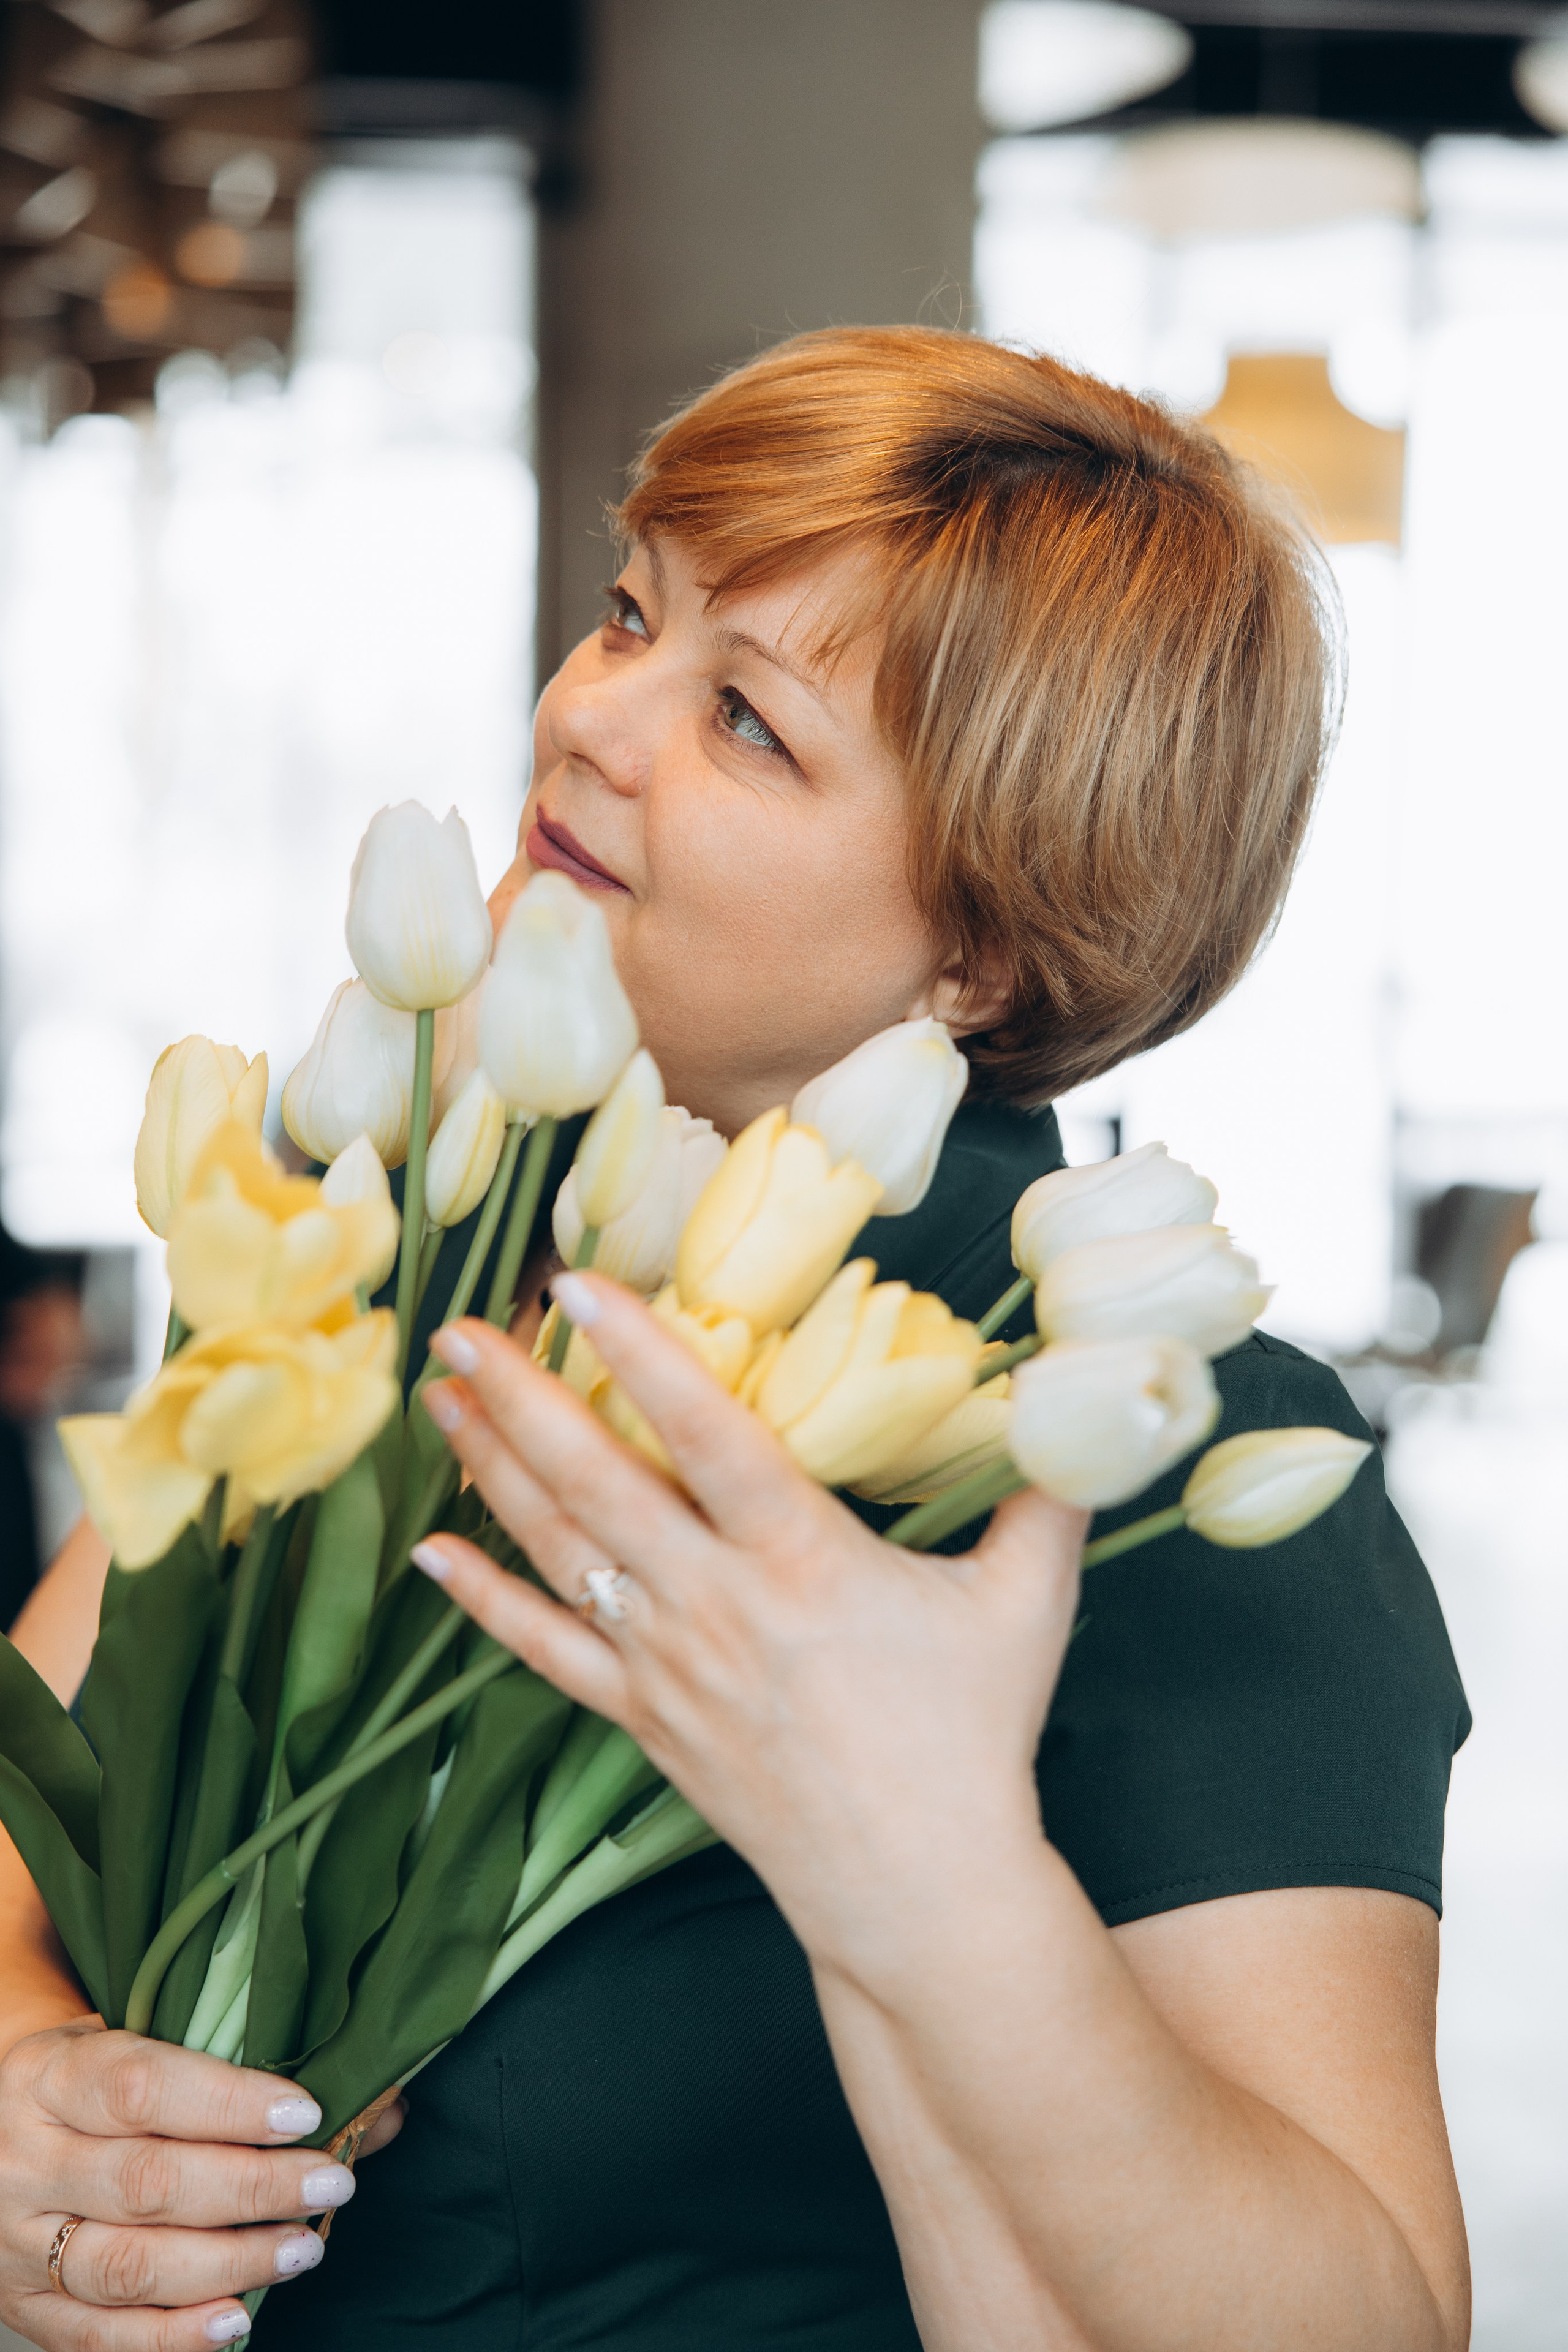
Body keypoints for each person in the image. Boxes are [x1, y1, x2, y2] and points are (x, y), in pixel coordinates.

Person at [0, 329, 1471, 2351]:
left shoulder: (1125, 1451)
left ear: (983, 943)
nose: (593, 722)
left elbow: (1362, 2325)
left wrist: (935, 1874)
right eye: (630, 617)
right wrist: (35, 2101)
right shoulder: (413, 1227)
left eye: (750, 723)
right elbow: (34, 1793)